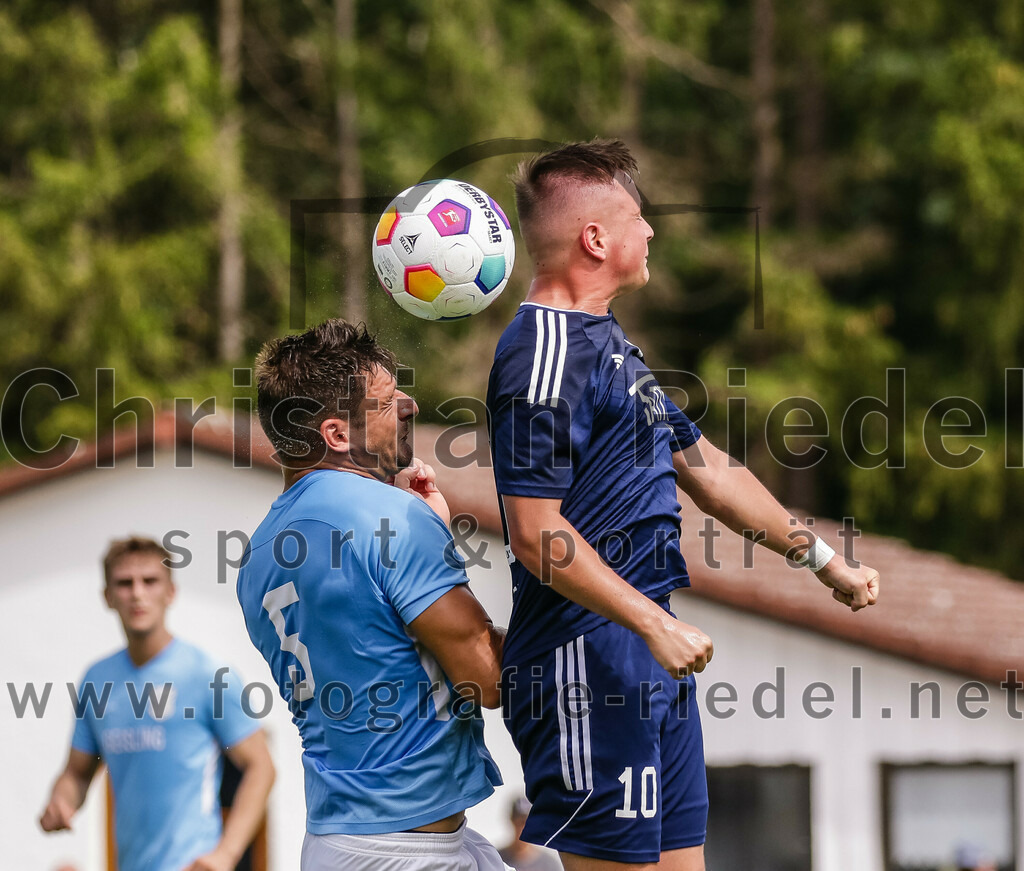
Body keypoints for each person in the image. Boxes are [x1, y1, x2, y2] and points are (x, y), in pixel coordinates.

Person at [486, 139, 881, 871]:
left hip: (645, 659)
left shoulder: (609, 345)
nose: (653, 231)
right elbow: (536, 533)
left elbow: (708, 470)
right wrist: (650, 620)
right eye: (638, 217)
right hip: (587, 658)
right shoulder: (539, 351)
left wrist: (821, 557)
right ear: (595, 238)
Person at [237, 319, 508, 870]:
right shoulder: (390, 517)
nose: (409, 405)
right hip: (407, 853)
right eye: (387, 402)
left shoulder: (257, 555)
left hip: (340, 843)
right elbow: (489, 679)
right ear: (337, 434)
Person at [40, 536, 275, 871]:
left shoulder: (206, 674)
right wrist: (61, 801)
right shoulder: (96, 680)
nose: (137, 593)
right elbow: (77, 774)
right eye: (124, 583)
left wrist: (226, 854)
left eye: (150, 581)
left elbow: (262, 767)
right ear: (107, 596)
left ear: (170, 592)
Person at [499, 797, 562, 871]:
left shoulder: (550, 864)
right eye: (521, 822)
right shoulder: (496, 858)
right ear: (512, 821)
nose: (525, 828)